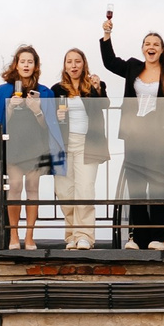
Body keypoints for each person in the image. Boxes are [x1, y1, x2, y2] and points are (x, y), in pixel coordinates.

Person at [100, 18, 164, 249]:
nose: (151, 47)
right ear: (143, 48)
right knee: (137, 187)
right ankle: (138, 238)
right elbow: (110, 63)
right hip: (135, 137)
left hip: (159, 140)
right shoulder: (133, 67)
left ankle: (160, 238)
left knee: (160, 187)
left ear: (161, 51)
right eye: (147, 43)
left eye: (156, 44)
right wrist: (107, 35)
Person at [0, 45, 65, 250]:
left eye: (30, 62)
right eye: (22, 61)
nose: (26, 65)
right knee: (14, 187)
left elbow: (48, 126)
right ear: (16, 64)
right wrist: (11, 107)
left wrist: (37, 110)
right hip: (13, 146)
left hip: (36, 147)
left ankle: (30, 236)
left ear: (35, 66)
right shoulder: (3, 90)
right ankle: (14, 236)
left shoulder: (45, 92)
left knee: (33, 189)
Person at [54, 47, 111, 250]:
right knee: (65, 192)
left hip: (88, 145)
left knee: (85, 189)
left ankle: (85, 235)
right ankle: (71, 234)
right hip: (64, 145)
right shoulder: (57, 89)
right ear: (65, 66)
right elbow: (49, 118)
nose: (73, 65)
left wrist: (97, 89)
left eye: (77, 61)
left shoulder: (95, 85)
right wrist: (58, 117)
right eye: (69, 61)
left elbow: (104, 104)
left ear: (83, 64)